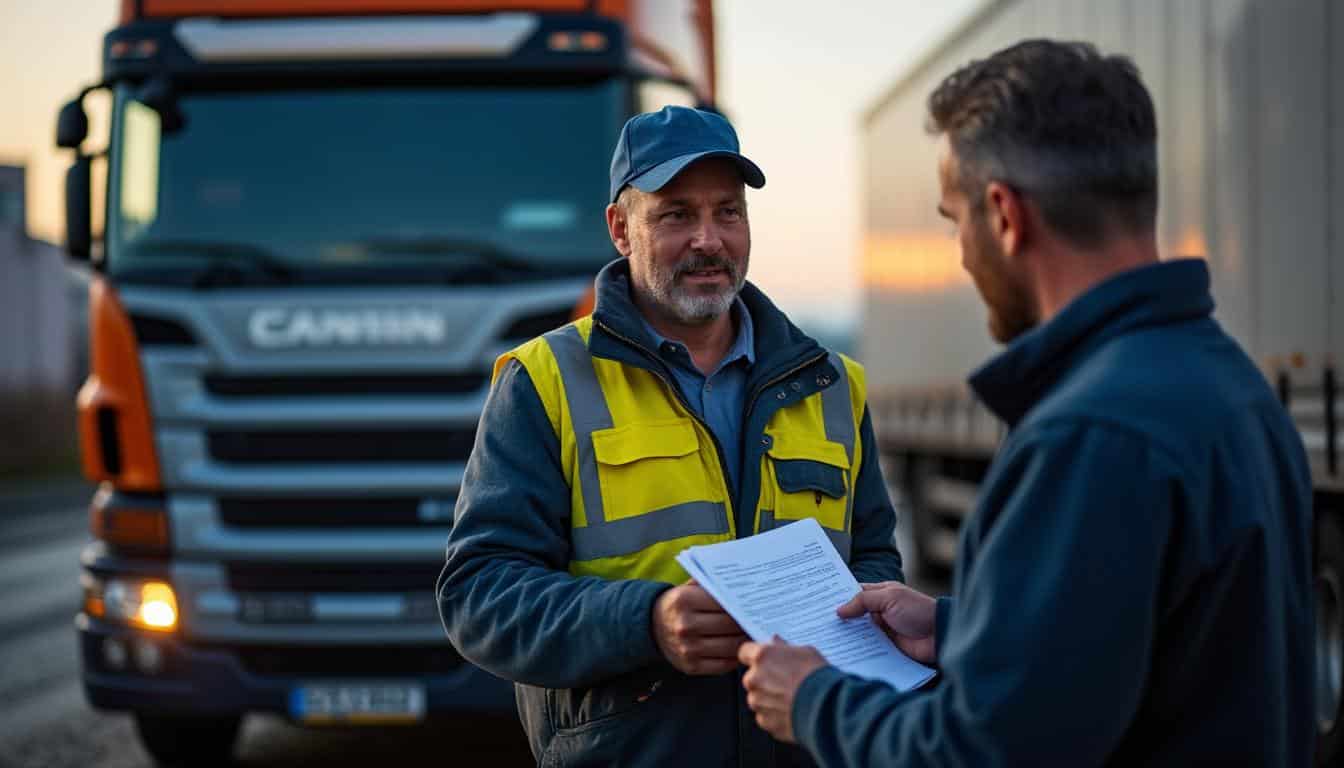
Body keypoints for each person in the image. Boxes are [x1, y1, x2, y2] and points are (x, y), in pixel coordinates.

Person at [738, 39, 1313, 766]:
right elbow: (1134, 650)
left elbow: (983, 753)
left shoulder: (1090, 435)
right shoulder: (1231, 384)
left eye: (956, 221)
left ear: (1005, 216)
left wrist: (816, 701)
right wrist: (958, 628)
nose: (962, 253)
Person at [436, 105, 906, 768]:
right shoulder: (542, 381)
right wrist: (646, 622)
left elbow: (875, 562)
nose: (709, 239)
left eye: (728, 211)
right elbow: (479, 596)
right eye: (677, 214)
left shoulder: (833, 385)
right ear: (620, 230)